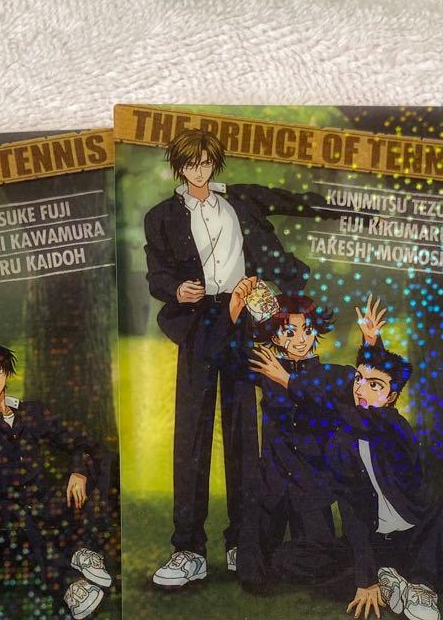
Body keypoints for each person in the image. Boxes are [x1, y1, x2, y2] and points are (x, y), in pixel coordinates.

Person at [143, 127, 343, 589]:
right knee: (192, 436)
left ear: (214, 162)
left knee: (243, 435)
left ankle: (242, 541)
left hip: (244, 320)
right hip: (198, 325)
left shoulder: (240, 200)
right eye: (190, 163)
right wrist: (176, 288)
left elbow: (294, 202)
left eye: (205, 162)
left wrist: (350, 211)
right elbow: (156, 274)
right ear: (179, 166)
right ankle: (189, 549)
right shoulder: (161, 217)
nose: (198, 170)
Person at [249, 341, 443, 620]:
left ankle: (421, 588)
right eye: (358, 379)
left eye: (374, 385)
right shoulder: (341, 442)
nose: (360, 389)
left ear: (391, 397)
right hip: (375, 542)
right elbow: (352, 510)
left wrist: (289, 381)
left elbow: (349, 414)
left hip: (414, 533)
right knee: (288, 558)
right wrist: (365, 578)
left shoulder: (394, 425)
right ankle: (386, 580)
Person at [235, 284, 387, 591]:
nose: (300, 339)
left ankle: (352, 561)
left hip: (311, 486)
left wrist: (371, 342)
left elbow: (368, 382)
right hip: (272, 484)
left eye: (307, 330)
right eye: (290, 332)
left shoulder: (331, 375)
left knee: (314, 563)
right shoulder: (266, 368)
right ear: (276, 337)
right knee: (251, 575)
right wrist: (238, 307)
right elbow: (230, 354)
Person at [0, 342, 112, 620]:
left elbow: (81, 439)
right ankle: (70, 586)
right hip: (0, 509)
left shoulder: (31, 412)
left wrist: (78, 471)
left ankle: (83, 550)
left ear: (7, 372)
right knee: (15, 512)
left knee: (97, 460)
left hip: (41, 501)